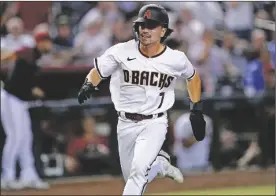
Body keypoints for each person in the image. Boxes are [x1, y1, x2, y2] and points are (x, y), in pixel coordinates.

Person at [77, 4, 206, 195]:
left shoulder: (174, 58)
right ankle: (160, 164)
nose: (145, 30)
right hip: (125, 123)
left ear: (163, 31)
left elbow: (193, 77)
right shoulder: (122, 51)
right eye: (142, 25)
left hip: (155, 122)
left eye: (151, 26)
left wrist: (195, 108)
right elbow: (99, 70)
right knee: (133, 174)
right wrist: (89, 83)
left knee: (137, 175)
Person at [0, 24, 50, 190]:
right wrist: (32, 89)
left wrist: (32, 90)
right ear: (39, 42)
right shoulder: (28, 53)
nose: (48, 44)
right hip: (10, 97)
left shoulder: (34, 57)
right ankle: (6, 177)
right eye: (45, 41)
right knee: (15, 137)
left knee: (26, 137)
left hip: (20, 101)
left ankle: (28, 175)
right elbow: (12, 59)